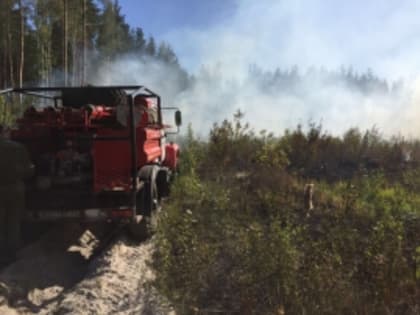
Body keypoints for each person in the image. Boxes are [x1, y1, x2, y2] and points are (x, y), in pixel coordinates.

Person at [0, 124, 34, 263]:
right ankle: (11, 254)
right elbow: (28, 170)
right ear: (4, 132)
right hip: (15, 190)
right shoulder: (17, 147)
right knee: (13, 222)